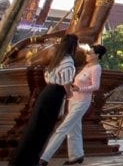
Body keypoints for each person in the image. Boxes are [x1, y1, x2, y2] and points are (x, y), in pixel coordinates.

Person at [8, 34, 77, 166]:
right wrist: (69, 93)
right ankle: (30, 160)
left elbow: (48, 76)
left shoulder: (57, 59)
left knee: (34, 127)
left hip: (47, 93)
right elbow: (66, 82)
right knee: (43, 129)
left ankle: (20, 160)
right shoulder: (68, 61)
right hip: (55, 96)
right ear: (73, 46)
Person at [39, 44, 105, 166]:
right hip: (73, 100)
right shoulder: (86, 66)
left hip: (82, 102)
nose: (87, 54)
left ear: (97, 55)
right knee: (74, 129)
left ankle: (44, 158)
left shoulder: (96, 68)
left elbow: (96, 86)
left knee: (62, 129)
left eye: (90, 53)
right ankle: (77, 155)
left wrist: (80, 89)